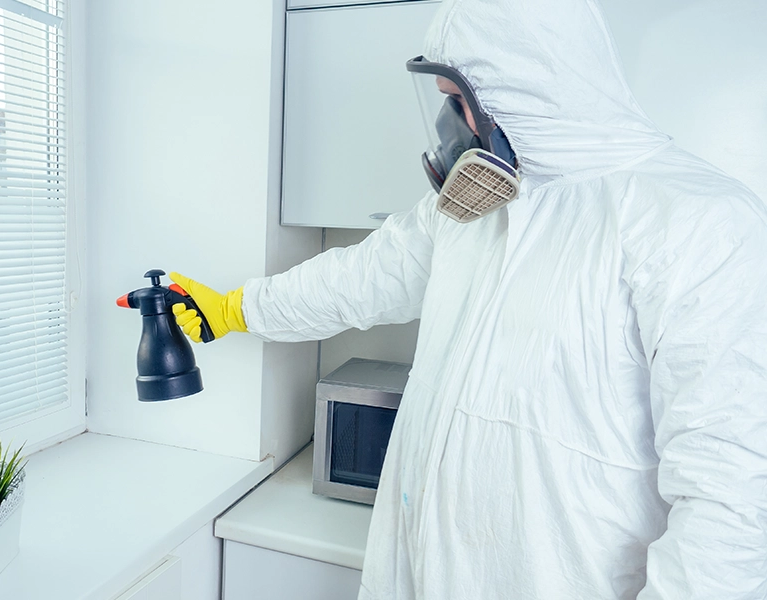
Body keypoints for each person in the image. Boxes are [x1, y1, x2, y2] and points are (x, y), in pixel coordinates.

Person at [170, 0, 767, 597]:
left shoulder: (699, 224)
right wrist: (236, 309)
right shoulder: (475, 210)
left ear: (530, 88)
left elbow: (733, 499)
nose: (449, 127)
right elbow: (358, 279)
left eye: (459, 104)